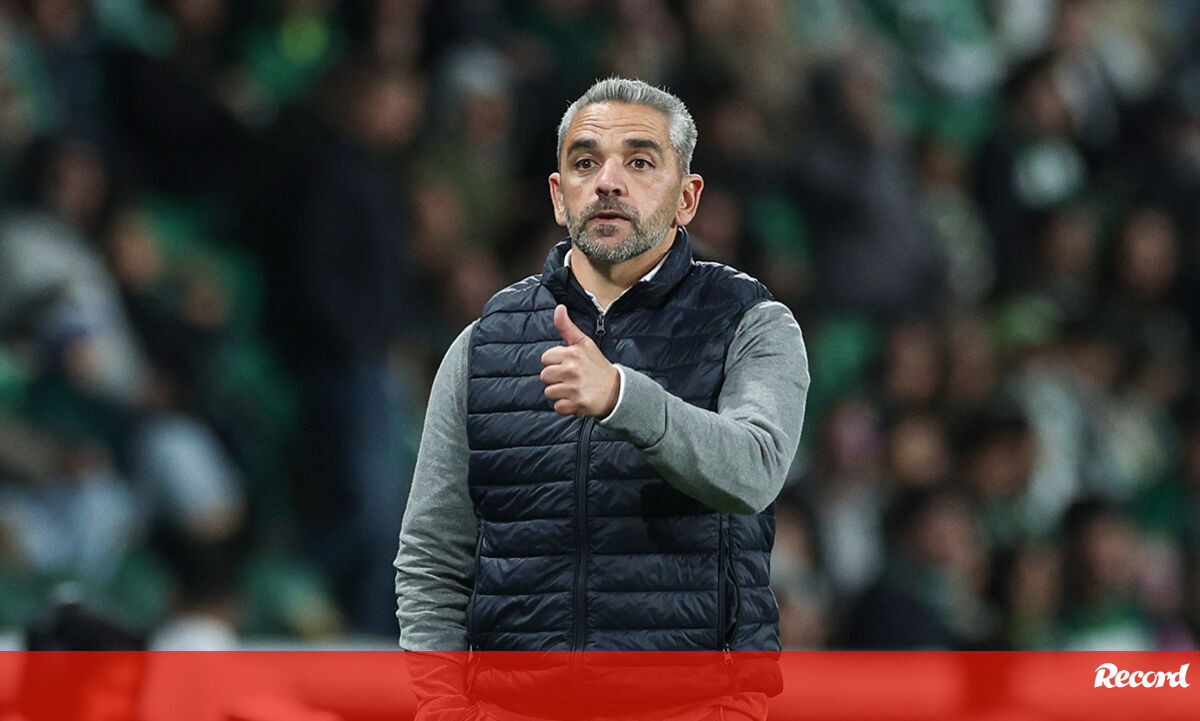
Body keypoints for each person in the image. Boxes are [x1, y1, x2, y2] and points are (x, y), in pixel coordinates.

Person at [394, 77, 809, 719]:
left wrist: (623, 397)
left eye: (639, 162)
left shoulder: (751, 325)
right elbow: (432, 556)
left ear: (687, 198)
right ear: (558, 197)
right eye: (585, 163)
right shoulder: (483, 344)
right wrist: (442, 703)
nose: (608, 182)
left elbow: (753, 471)